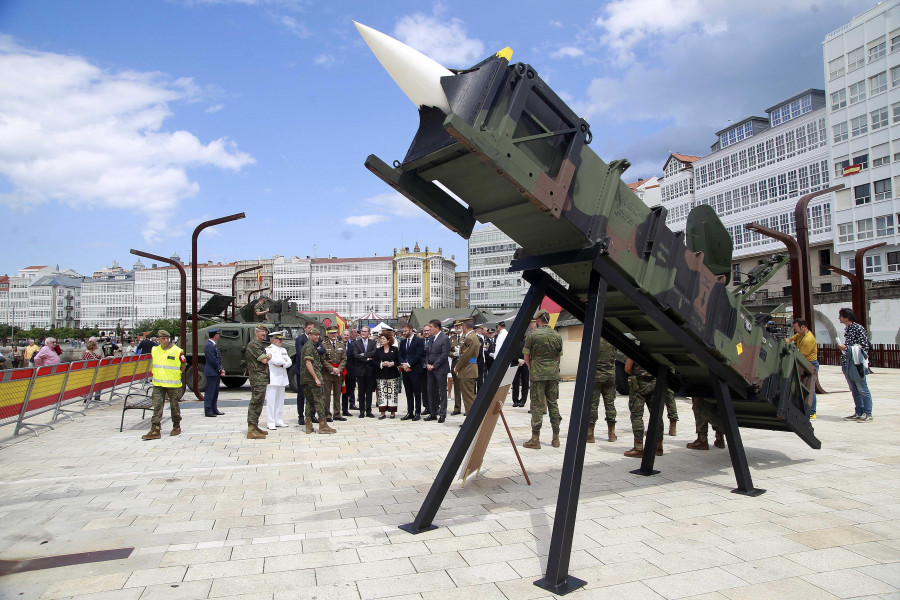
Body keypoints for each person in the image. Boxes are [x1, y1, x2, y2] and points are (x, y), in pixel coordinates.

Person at [523, 309, 563, 449]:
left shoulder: (532, 335)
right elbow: (558, 357)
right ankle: (556, 438)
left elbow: (526, 357)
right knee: (553, 404)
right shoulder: (557, 335)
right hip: (552, 374)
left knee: (536, 405)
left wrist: (532, 368)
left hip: (537, 374)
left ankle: (535, 439)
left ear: (539, 320)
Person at [141, 330, 186, 440]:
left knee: (174, 406)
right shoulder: (155, 350)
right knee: (157, 406)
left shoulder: (177, 350)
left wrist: (176, 374)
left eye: (167, 338)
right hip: (158, 383)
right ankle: (155, 429)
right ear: (159, 339)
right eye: (163, 338)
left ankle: (176, 426)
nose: (165, 340)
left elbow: (183, 365)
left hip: (173, 384)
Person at [623, 359, 672, 458]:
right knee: (656, 414)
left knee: (636, 415)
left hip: (639, 383)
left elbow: (628, 368)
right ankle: (658, 446)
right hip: (656, 381)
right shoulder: (658, 346)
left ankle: (638, 447)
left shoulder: (637, 344)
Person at [838, 307, 874, 422]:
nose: (839, 318)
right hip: (847, 362)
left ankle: (868, 413)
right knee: (854, 389)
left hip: (856, 363)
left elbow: (864, 346)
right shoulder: (847, 329)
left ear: (846, 317)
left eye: (841, 316)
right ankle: (859, 411)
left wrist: (847, 348)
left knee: (862, 388)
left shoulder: (858, 328)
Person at [300, 327, 335, 434]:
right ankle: (323, 425)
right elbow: (308, 363)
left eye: (318, 335)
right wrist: (316, 378)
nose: (317, 336)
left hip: (306, 378)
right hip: (312, 378)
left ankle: (308, 424)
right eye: (314, 334)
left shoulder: (310, 345)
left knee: (310, 401)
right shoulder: (310, 346)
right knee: (320, 400)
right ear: (309, 335)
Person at [588, 338, 618, 443]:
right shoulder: (612, 341)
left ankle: (590, 434)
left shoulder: (594, 340)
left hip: (596, 376)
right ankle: (612, 434)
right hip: (610, 376)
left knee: (592, 405)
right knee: (610, 404)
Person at [788, 317, 819, 418]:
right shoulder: (801, 334)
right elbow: (794, 337)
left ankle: (812, 411)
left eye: (796, 328)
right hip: (806, 362)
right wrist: (788, 340)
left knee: (810, 388)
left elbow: (802, 356)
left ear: (803, 327)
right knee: (803, 387)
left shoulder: (808, 339)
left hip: (810, 364)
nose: (795, 330)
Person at [244, 324, 270, 440]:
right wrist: (268, 356)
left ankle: (255, 426)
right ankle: (251, 429)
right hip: (257, 378)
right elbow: (264, 360)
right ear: (256, 332)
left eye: (265, 332)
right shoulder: (254, 345)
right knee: (255, 402)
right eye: (261, 332)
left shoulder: (259, 344)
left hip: (261, 377)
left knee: (259, 402)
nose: (263, 334)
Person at [265, 330, 292, 429]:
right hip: (273, 377)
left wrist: (283, 363)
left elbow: (289, 361)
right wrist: (283, 362)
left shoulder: (283, 349)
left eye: (281, 339)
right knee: (271, 402)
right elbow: (274, 361)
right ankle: (271, 422)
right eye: (279, 339)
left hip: (282, 377)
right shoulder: (269, 349)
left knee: (280, 401)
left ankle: (278, 419)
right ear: (273, 340)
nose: (281, 341)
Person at [424, 319, 450, 422]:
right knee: (430, 391)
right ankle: (432, 413)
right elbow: (427, 353)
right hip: (430, 369)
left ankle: (442, 414)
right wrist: (427, 364)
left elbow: (444, 355)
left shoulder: (445, 338)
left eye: (431, 327)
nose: (429, 329)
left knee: (442, 392)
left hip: (440, 369)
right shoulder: (431, 338)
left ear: (437, 328)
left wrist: (434, 365)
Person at [291, 321, 316, 425]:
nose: (311, 330)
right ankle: (301, 416)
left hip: (313, 371)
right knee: (301, 395)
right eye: (309, 328)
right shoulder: (300, 339)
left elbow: (322, 350)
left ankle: (312, 415)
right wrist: (314, 351)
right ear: (305, 328)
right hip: (302, 371)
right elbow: (301, 353)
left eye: (313, 328)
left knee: (313, 394)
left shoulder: (316, 339)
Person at [454, 318, 480, 417]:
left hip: (467, 369)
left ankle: (471, 419)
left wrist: (457, 367)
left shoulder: (470, 337)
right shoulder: (469, 336)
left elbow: (465, 356)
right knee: (468, 396)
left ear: (464, 327)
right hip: (468, 369)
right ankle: (472, 418)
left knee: (468, 397)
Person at [398, 323, 425, 420]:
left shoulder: (419, 341)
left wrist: (409, 364)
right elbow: (400, 355)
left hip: (415, 370)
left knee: (417, 392)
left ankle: (417, 412)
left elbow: (419, 355)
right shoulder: (403, 342)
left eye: (405, 331)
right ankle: (410, 412)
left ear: (411, 330)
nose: (403, 333)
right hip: (405, 371)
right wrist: (403, 364)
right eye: (403, 331)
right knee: (408, 393)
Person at [321, 326, 347, 422]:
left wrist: (339, 369)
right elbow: (323, 360)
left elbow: (344, 359)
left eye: (335, 333)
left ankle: (337, 414)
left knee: (337, 394)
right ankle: (327, 414)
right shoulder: (324, 345)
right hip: (327, 373)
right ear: (327, 334)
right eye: (331, 333)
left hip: (338, 373)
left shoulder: (341, 344)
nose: (333, 335)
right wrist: (332, 369)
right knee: (327, 395)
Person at [351, 326, 377, 418]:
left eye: (365, 331)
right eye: (362, 331)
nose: (363, 333)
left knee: (369, 392)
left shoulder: (373, 342)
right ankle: (362, 411)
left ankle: (368, 410)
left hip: (370, 371)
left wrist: (364, 355)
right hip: (360, 370)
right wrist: (367, 358)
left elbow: (374, 353)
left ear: (369, 333)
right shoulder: (356, 343)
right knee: (361, 392)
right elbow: (356, 355)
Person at [374, 330, 401, 418]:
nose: (381, 340)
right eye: (381, 339)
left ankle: (392, 413)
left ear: (389, 340)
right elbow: (375, 362)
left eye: (383, 339)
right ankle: (382, 413)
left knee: (392, 394)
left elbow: (398, 361)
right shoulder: (378, 350)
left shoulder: (395, 349)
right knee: (382, 394)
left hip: (392, 374)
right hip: (381, 374)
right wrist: (382, 364)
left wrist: (393, 363)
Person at [511, 320, 535, 407]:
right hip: (515, 362)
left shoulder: (527, 340)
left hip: (525, 363)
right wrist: (518, 360)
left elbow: (529, 351)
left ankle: (523, 400)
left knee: (525, 382)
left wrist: (524, 360)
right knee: (515, 382)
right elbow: (510, 352)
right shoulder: (513, 340)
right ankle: (515, 400)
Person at [203, 329, 225, 418]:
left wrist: (221, 368)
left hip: (215, 372)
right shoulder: (209, 345)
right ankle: (208, 410)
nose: (218, 335)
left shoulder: (213, 345)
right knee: (210, 392)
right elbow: (212, 360)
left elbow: (217, 359)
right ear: (215, 335)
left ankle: (214, 409)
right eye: (217, 334)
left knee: (215, 392)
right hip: (211, 372)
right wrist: (220, 369)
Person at [449, 320, 463, 415]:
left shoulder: (466, 336)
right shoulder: (452, 338)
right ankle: (457, 408)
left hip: (465, 365)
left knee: (466, 389)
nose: (458, 327)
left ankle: (468, 408)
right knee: (457, 388)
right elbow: (447, 351)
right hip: (455, 365)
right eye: (456, 326)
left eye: (460, 325)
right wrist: (453, 354)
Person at [341, 330, 354, 414]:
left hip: (349, 372)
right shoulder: (337, 345)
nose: (346, 337)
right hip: (339, 371)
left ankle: (345, 410)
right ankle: (336, 410)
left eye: (347, 335)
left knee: (346, 391)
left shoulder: (352, 346)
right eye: (344, 335)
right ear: (341, 336)